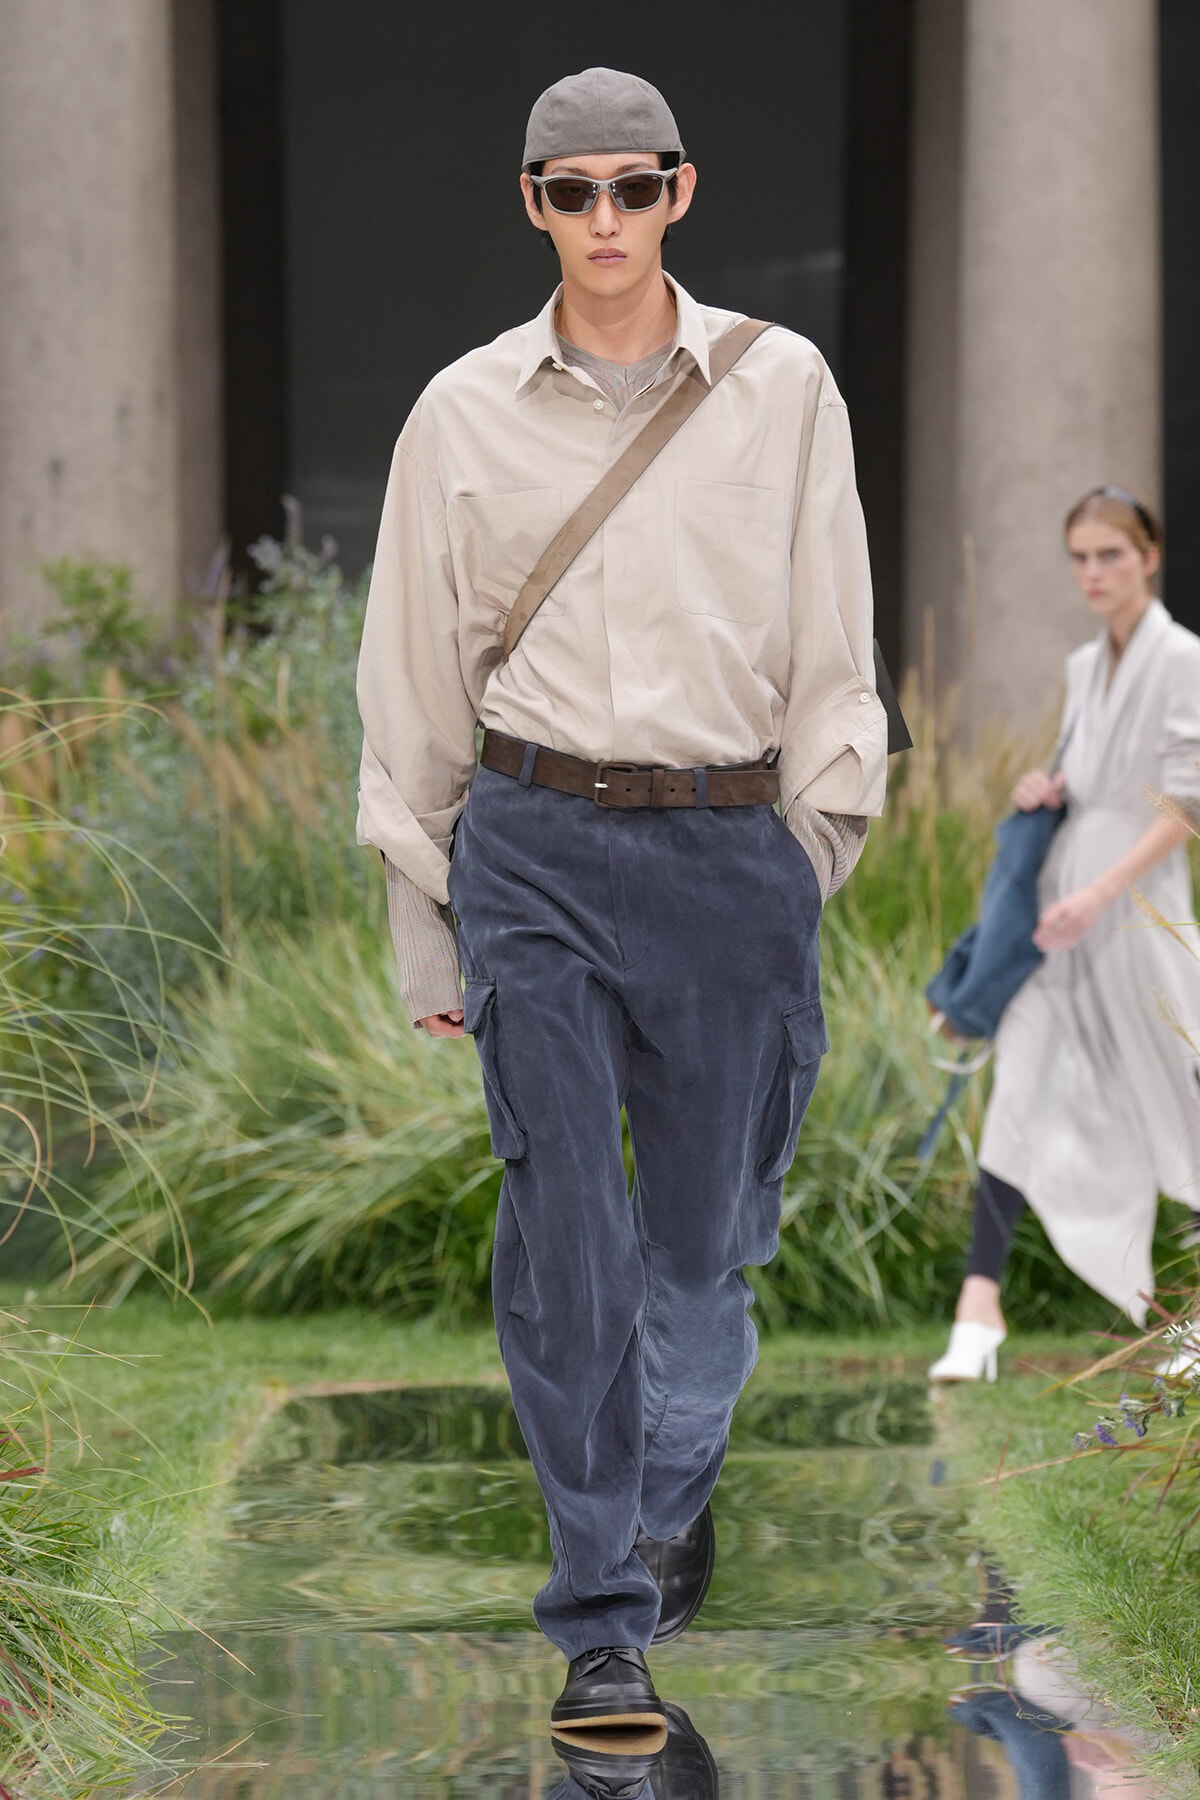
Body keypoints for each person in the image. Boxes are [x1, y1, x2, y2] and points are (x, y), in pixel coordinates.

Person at [355, 66, 887, 1724]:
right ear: (532, 205)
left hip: (733, 853)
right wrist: (427, 914)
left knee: (704, 1256)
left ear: (680, 192)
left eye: (631, 189)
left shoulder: (782, 384)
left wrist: (806, 857)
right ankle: (602, 1614)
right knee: (567, 1240)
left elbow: (835, 641)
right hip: (536, 847)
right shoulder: (457, 414)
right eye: (570, 192)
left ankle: (666, 1485)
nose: (604, 222)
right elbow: (414, 680)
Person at [930, 488, 1200, 1383]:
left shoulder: (1181, 658)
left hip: (1136, 908)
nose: (1093, 573)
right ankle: (979, 1307)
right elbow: (1078, 768)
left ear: (1149, 557)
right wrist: (1045, 786)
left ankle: (1191, 1315)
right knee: (1024, 1080)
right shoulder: (1088, 666)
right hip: (1062, 909)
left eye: (1110, 556)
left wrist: (1104, 890)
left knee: (1174, 1103)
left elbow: (1186, 800)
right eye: (1080, 557)